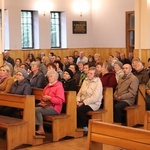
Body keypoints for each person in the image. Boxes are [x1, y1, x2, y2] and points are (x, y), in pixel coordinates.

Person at [35, 70, 65, 135]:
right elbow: (42, 97)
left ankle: (41, 129)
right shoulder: (47, 86)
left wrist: (50, 98)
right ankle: (33, 128)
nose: (49, 78)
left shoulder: (59, 87)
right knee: (32, 109)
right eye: (48, 77)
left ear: (56, 78)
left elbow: (60, 101)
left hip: (55, 108)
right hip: (46, 106)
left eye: (51, 76)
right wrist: (44, 99)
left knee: (37, 110)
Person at [77, 67, 103, 134]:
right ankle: (77, 127)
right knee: (70, 108)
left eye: (91, 73)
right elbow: (79, 93)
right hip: (82, 101)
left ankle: (85, 128)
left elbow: (95, 98)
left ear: (95, 75)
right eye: (88, 73)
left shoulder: (98, 82)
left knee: (80, 109)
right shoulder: (85, 80)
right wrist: (77, 100)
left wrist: (83, 102)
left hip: (93, 104)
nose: (88, 75)